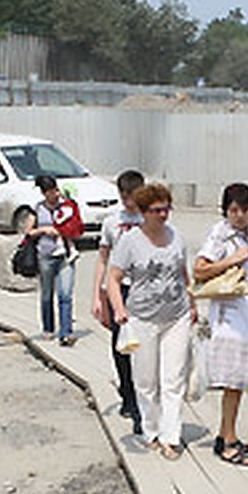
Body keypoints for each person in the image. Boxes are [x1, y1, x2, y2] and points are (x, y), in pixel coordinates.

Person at [107, 183, 195, 460]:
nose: (163, 215)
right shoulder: (130, 241)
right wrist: (118, 309)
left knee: (174, 378)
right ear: (144, 212)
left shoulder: (177, 237)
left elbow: (183, 273)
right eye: (157, 210)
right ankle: (151, 430)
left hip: (176, 316)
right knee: (146, 380)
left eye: (166, 208)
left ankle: (171, 436)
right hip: (142, 318)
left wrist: (192, 303)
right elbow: (113, 278)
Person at [193, 182, 248, 467]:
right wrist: (231, 260)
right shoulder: (221, 235)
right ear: (225, 211)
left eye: (245, 209)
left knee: (241, 380)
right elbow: (199, 270)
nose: (239, 215)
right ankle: (228, 442)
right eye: (233, 210)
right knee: (233, 381)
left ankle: (227, 434)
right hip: (228, 319)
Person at [91, 168, 145, 433]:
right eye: (124, 196)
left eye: (133, 196)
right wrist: (97, 296)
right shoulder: (112, 222)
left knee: (143, 350)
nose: (129, 202)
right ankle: (127, 394)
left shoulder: (152, 219)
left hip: (146, 293)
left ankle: (139, 407)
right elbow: (103, 259)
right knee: (120, 347)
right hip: (119, 291)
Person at [26, 174, 79, 346]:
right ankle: (48, 328)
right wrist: (44, 230)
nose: (54, 194)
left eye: (55, 190)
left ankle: (66, 332)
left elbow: (77, 224)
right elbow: (29, 232)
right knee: (47, 294)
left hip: (65, 254)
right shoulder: (38, 209)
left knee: (65, 295)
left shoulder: (67, 207)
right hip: (46, 256)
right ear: (43, 193)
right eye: (49, 192)